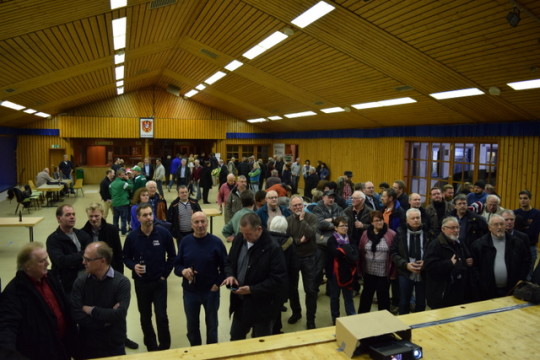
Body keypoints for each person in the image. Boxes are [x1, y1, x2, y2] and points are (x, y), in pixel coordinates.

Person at [0, 242, 76, 360]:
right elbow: (7, 328)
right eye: (42, 261)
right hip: (40, 354)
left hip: (62, 349)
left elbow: (64, 307)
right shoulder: (14, 293)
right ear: (27, 266)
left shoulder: (50, 277)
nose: (48, 263)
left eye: (46, 259)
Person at [222, 213, 287, 340]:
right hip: (240, 304)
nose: (245, 237)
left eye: (248, 234)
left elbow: (277, 280)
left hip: (262, 307)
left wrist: (252, 289)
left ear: (259, 229)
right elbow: (229, 262)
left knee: (260, 342)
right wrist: (230, 275)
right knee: (235, 338)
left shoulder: (273, 249)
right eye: (243, 233)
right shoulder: (240, 239)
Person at [123, 204, 176, 351]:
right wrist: (133, 266)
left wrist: (165, 275)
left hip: (159, 282)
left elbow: (172, 256)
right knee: (145, 317)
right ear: (138, 218)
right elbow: (125, 257)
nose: (149, 218)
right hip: (141, 284)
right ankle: (151, 347)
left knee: (161, 317)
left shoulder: (164, 234)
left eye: (150, 214)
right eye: (145, 215)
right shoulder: (132, 237)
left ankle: (164, 346)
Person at [174, 212, 228, 346]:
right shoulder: (185, 242)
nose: (200, 225)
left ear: (207, 223)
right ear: (191, 225)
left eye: (203, 221)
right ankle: (196, 351)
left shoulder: (216, 242)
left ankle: (211, 352)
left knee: (212, 326)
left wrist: (217, 284)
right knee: (192, 327)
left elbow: (226, 267)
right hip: (190, 292)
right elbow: (176, 265)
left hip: (211, 292)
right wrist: (183, 271)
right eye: (196, 222)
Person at [71, 242, 131, 359]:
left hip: (113, 344)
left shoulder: (122, 282)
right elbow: (76, 313)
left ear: (102, 261)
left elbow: (119, 314)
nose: (83, 262)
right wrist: (105, 321)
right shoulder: (80, 281)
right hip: (87, 344)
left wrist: (91, 310)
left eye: (88, 259)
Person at [471, 215, 530, 300]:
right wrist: (482, 283)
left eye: (502, 224)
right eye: (496, 224)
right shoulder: (478, 245)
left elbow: (526, 262)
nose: (499, 227)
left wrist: (520, 279)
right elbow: (474, 268)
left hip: (513, 289)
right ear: (489, 227)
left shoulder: (517, 243)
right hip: (487, 291)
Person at [424, 216, 474, 309]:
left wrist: (467, 261)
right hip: (442, 293)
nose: (456, 230)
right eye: (452, 228)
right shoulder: (435, 245)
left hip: (458, 292)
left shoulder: (459, 243)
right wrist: (449, 263)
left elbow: (463, 259)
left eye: (458, 227)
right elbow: (429, 267)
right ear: (443, 229)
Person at [286, 195, 319, 329]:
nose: (298, 207)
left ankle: (311, 319)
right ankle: (296, 312)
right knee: (292, 288)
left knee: (310, 290)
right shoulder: (287, 221)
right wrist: (299, 241)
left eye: (300, 204)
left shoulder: (312, 218)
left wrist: (302, 220)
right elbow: (287, 240)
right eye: (295, 205)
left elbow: (311, 233)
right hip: (293, 258)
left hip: (309, 258)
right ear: (290, 208)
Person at [392, 208, 431, 314]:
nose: (416, 220)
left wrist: (426, 263)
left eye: (418, 218)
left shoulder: (428, 233)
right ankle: (403, 328)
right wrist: (405, 265)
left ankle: (419, 327)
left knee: (421, 303)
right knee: (404, 302)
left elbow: (433, 253)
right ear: (407, 220)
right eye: (413, 218)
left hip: (423, 272)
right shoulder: (400, 233)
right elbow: (393, 253)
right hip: (405, 272)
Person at [46, 204, 91, 295]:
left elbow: (93, 256)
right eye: (68, 215)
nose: (72, 217)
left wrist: (73, 259)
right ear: (59, 218)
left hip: (86, 281)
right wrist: (84, 254)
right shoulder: (53, 239)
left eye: (73, 214)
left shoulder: (83, 235)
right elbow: (61, 261)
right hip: (66, 284)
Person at [358, 210, 396, 313]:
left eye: (381, 220)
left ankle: (384, 321)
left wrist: (393, 273)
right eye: (376, 220)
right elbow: (361, 250)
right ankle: (361, 318)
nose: (379, 222)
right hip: (368, 272)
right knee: (366, 296)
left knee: (383, 298)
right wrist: (360, 270)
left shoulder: (391, 234)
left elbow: (395, 254)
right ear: (371, 222)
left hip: (383, 273)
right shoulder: (366, 234)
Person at [267, 216, 297, 334]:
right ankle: (276, 329)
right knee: (277, 307)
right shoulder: (290, 243)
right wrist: (292, 286)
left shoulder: (264, 241)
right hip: (283, 281)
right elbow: (294, 266)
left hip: (266, 280)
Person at [327, 216, 358, 324]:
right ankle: (335, 319)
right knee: (335, 297)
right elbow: (335, 253)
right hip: (334, 273)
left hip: (348, 272)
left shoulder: (350, 238)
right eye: (342, 226)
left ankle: (352, 317)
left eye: (346, 225)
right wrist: (347, 251)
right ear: (335, 228)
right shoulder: (331, 240)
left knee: (348, 296)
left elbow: (355, 253)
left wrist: (343, 251)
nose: (345, 228)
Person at [514, 190, 540, 280]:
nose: (522, 200)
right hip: (516, 247)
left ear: (530, 199)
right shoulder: (515, 213)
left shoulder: (537, 214)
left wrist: (520, 230)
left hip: (530, 247)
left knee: (528, 275)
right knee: (516, 272)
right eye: (520, 198)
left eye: (525, 198)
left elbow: (533, 232)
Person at [109, 168, 133, 235]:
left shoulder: (111, 184)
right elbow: (131, 186)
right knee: (123, 219)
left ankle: (115, 231)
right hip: (123, 203)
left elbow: (110, 193)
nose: (124, 176)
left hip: (115, 204)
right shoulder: (123, 183)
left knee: (115, 219)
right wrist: (128, 179)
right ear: (119, 175)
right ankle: (123, 231)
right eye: (123, 175)